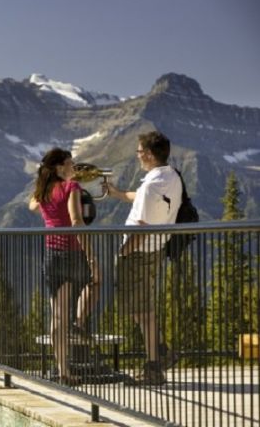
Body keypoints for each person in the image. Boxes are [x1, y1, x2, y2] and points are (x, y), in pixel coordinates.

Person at [105, 131, 182, 385]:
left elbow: (142, 226)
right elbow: (142, 199)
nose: (137, 156)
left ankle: (153, 368)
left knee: (143, 311)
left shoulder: (151, 185)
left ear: (149, 154)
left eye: (139, 152)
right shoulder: (170, 176)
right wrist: (117, 194)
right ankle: (160, 352)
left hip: (138, 253)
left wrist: (124, 251)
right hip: (156, 250)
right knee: (141, 308)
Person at [29, 148, 100, 386]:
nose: (74, 168)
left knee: (56, 316)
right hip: (71, 253)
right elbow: (76, 220)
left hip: (51, 254)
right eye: (70, 164)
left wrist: (44, 181)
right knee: (94, 282)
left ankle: (63, 369)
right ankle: (78, 324)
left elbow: (31, 204)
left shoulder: (42, 191)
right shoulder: (71, 188)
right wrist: (91, 257)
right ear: (59, 167)